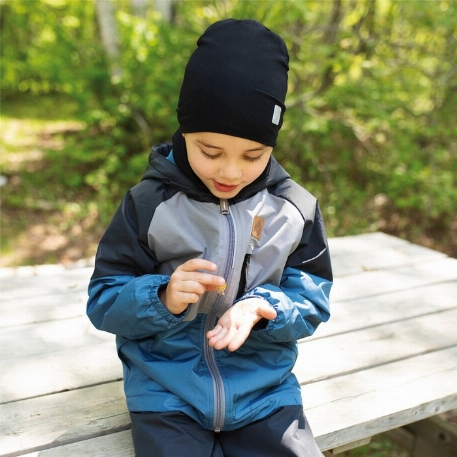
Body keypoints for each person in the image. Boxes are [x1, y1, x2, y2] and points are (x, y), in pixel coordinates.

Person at [87, 18, 332, 457]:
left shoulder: (294, 211)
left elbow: (312, 300)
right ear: (184, 130)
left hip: (266, 392)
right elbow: (104, 299)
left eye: (253, 155)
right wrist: (161, 297)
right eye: (210, 151)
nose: (231, 171)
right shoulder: (148, 204)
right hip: (167, 394)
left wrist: (267, 308)